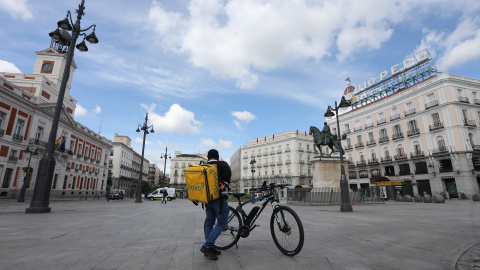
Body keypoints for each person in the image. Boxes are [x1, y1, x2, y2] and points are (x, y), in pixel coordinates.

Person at [201, 149, 231, 260]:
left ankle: (210, 248)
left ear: (208, 157)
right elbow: (228, 176)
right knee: (222, 223)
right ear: (217, 156)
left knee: (209, 223)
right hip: (219, 199)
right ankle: (207, 246)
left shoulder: (203, 166)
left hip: (207, 200)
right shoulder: (222, 164)